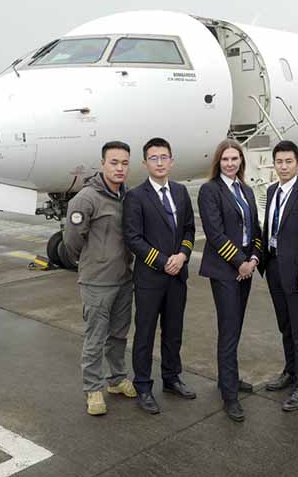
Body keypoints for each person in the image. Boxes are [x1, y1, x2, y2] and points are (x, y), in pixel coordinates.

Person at [123, 137, 196, 415]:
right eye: (154, 158)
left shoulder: (180, 191)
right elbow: (133, 238)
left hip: (177, 276)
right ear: (145, 163)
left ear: (172, 161)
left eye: (164, 157)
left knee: (173, 331)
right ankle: (143, 386)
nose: (160, 162)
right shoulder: (136, 197)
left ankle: (171, 378)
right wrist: (164, 261)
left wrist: (183, 255)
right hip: (150, 279)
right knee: (145, 334)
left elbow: (188, 229)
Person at [64, 141, 137, 416]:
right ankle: (93, 388)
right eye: (114, 162)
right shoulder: (86, 199)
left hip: (123, 279)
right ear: (102, 164)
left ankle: (116, 379)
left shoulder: (127, 196)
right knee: (95, 337)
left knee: (118, 335)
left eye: (124, 163)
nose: (119, 168)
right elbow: (72, 241)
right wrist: (92, 263)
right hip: (97, 282)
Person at [197, 139, 263, 422]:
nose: (230, 163)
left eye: (235, 159)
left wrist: (254, 259)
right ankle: (229, 394)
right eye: (225, 159)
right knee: (228, 329)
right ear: (218, 162)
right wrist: (240, 263)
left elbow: (255, 229)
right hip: (225, 270)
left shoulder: (246, 190)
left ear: (241, 162)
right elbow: (215, 233)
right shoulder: (210, 190)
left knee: (235, 326)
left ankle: (229, 378)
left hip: (245, 267)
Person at [259, 140, 298, 411]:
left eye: (288, 162)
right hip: (274, 267)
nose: (283, 167)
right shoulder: (272, 190)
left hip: (297, 273)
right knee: (284, 325)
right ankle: (290, 370)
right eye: (279, 162)